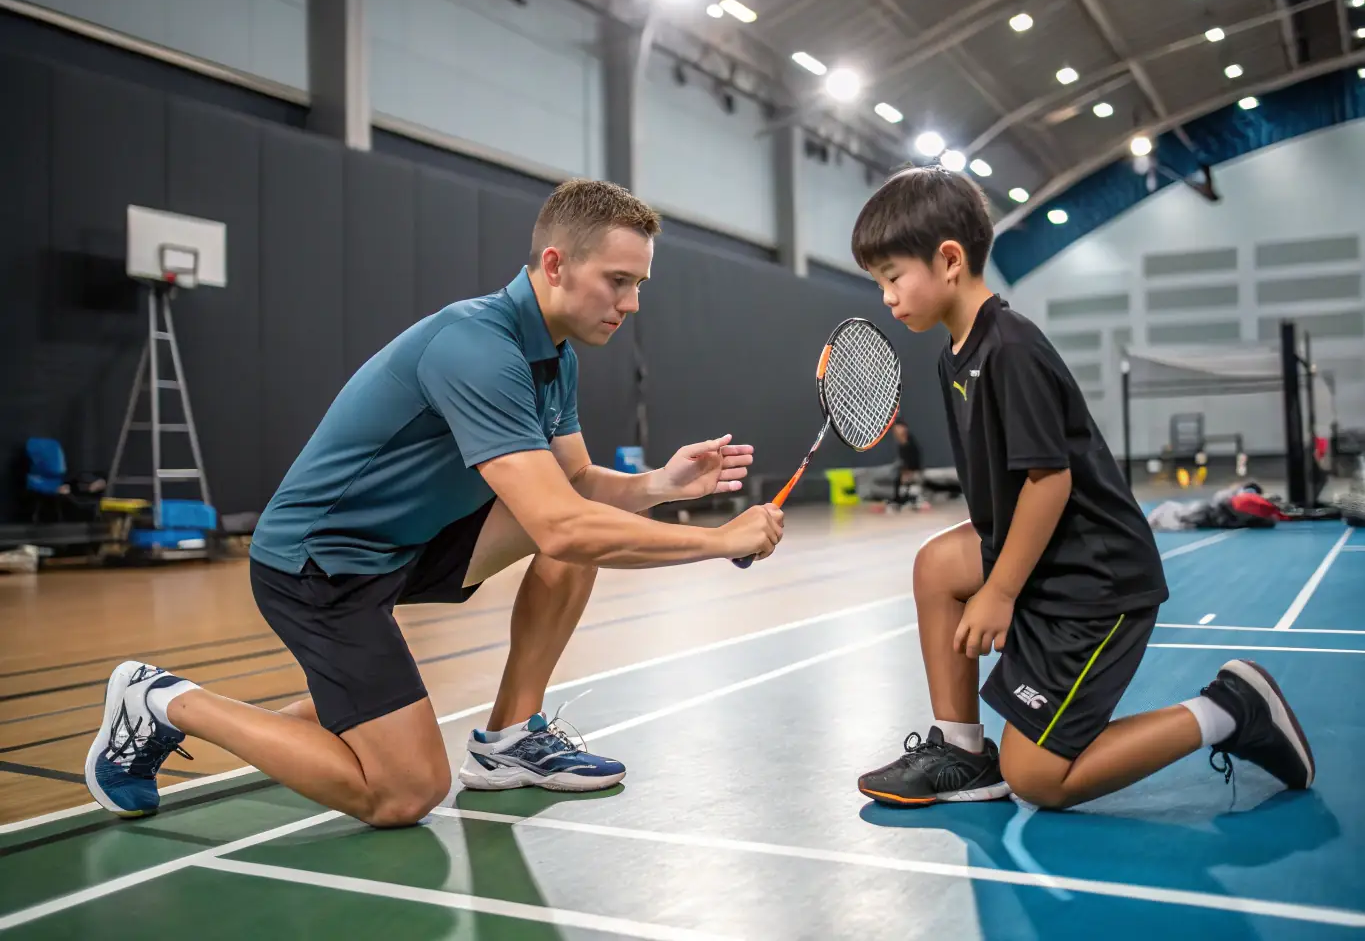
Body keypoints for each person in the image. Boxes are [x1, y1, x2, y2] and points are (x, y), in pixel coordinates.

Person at [85, 179, 785, 827]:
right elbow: (561, 524)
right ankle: (164, 701)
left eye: (638, 285)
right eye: (618, 281)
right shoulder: (477, 348)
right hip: (319, 568)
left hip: (404, 544)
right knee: (404, 792)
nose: (630, 304)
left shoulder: (555, 354)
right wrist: (721, 541)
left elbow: (571, 486)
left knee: (575, 533)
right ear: (554, 264)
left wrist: (660, 484)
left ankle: (509, 737)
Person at [849, 166, 1314, 810]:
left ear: (949, 260)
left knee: (1039, 779)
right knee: (936, 566)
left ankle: (1229, 710)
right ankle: (961, 751)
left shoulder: (1011, 348)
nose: (887, 298)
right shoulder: (953, 355)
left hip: (1093, 581)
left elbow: (1049, 481)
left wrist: (1000, 592)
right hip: (1045, 558)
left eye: (892, 277)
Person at [889, 421, 925, 509]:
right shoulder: (901, 445)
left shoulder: (910, 444)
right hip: (905, 473)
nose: (896, 432)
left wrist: (908, 472)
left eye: (898, 429)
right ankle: (899, 501)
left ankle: (913, 501)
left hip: (913, 472)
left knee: (910, 490)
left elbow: (915, 462)